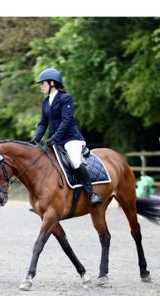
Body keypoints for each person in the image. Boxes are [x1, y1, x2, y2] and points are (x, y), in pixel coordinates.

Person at [30, 68, 101, 207]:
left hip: (71, 139)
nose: (41, 86)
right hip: (55, 140)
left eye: (43, 83)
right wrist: (36, 139)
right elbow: (43, 123)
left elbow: (66, 120)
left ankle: (91, 192)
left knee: (74, 161)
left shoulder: (65, 98)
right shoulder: (45, 102)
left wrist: (55, 137)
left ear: (52, 83)